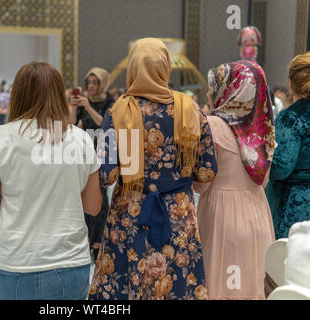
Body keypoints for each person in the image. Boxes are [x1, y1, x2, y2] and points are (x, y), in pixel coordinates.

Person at [88, 38, 218, 300]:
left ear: (133, 69)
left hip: (131, 216)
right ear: (165, 67)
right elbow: (207, 171)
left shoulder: (119, 110)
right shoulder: (190, 108)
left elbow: (106, 174)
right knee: (176, 284)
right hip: (177, 216)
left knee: (126, 286)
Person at [0, 62, 102, 300]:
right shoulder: (81, 139)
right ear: (58, 93)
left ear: (18, 94)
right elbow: (93, 206)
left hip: (10, 260)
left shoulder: (1, 137)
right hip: (69, 260)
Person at [194, 61, 276, 300]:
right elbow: (263, 179)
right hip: (258, 214)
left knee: (221, 287)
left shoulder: (213, 125)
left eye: (215, 86)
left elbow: (202, 182)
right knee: (251, 287)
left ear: (232, 89)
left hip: (223, 216)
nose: (209, 93)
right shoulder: (263, 127)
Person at [70, 68, 113, 261]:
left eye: (95, 82)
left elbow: (106, 125)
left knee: (100, 195)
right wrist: (73, 106)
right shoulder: (83, 102)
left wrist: (88, 107)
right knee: (82, 193)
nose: (91, 86)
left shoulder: (110, 101)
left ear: (102, 83)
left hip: (103, 151)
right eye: (89, 83)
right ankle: (86, 238)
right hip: (84, 151)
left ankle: (98, 241)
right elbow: (71, 124)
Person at [266, 52, 310, 239]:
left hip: (296, 205)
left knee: (292, 263)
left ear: (290, 83)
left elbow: (282, 167)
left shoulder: (290, 117)